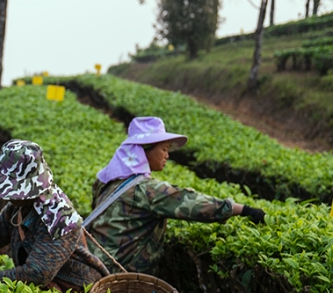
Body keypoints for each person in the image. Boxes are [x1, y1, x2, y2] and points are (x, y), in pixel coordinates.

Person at [85, 117, 266, 274]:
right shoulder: (147, 190)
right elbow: (192, 203)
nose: (167, 155)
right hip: (116, 273)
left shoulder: (108, 179)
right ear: (144, 151)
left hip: (92, 262)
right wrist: (244, 210)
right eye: (164, 149)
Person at [0, 139, 108, 293]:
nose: (7, 196)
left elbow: (37, 273)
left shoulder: (58, 217)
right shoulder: (18, 207)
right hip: (44, 288)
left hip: (76, 292)